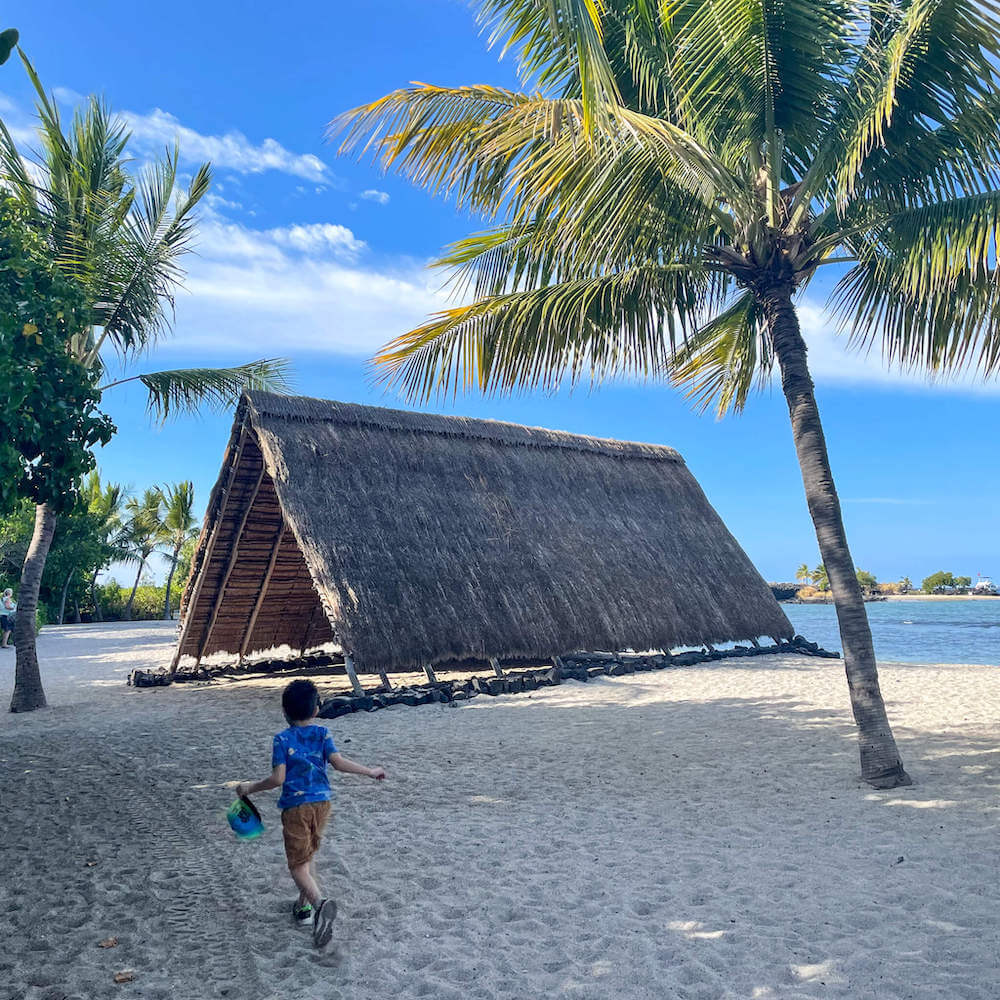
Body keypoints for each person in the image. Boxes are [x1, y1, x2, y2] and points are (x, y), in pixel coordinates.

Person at [235, 678, 386, 947]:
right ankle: (302, 908)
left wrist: (250, 788)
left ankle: (319, 903)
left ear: (284, 712)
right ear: (316, 710)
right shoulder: (322, 733)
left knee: (296, 866)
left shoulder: (281, 739)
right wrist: (370, 771)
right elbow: (338, 764)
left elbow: (278, 779)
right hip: (322, 804)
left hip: (296, 807)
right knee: (308, 855)